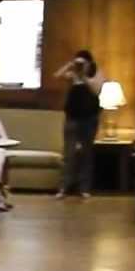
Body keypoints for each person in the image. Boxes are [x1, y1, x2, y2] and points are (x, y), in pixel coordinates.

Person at [54, 50, 105, 199]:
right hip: (72, 118)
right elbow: (57, 76)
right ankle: (63, 187)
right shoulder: (73, 74)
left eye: (83, 63)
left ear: (90, 63)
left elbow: (96, 90)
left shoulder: (97, 73)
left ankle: (84, 188)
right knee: (68, 154)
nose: (81, 65)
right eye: (78, 62)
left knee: (86, 154)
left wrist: (84, 77)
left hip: (89, 119)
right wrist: (70, 65)